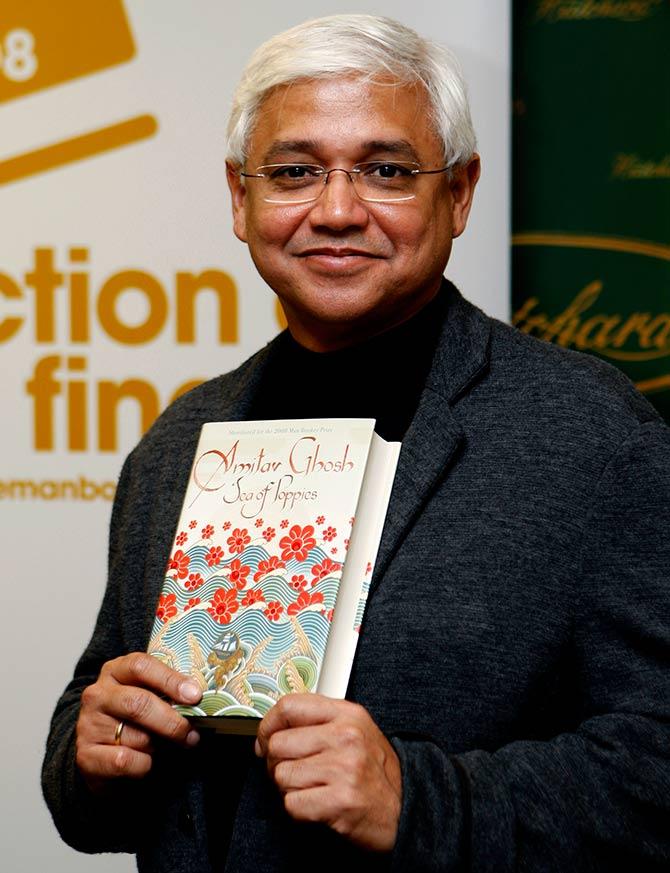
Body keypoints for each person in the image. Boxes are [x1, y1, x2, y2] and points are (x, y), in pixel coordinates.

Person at [42, 13, 670, 873]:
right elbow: (90, 743)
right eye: (294, 172)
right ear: (240, 197)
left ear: (459, 193)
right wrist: (92, 755)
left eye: (386, 171)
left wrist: (421, 800)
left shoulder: (594, 435)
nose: (336, 211)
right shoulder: (181, 444)